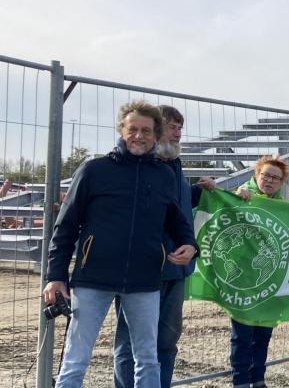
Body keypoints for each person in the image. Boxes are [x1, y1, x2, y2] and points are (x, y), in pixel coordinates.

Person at [44, 100, 198, 388]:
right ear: (121, 130)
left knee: (147, 358)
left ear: (155, 134)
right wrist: (55, 276)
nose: (139, 136)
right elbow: (65, 227)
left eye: (146, 131)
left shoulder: (163, 175)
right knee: (76, 359)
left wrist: (189, 244)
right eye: (133, 129)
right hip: (93, 279)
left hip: (145, 281)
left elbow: (177, 221)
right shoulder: (94, 170)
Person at [112, 105, 195, 388]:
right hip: (142, 269)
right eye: (172, 127)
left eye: (180, 128)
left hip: (176, 270)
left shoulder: (173, 165)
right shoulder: (136, 168)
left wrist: (202, 190)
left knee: (167, 342)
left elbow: (175, 208)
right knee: (131, 342)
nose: (178, 133)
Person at [228, 156, 289, 388]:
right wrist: (237, 195)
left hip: (269, 279)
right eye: (266, 175)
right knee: (242, 334)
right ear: (257, 175)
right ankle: (241, 381)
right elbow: (223, 206)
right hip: (243, 280)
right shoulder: (242, 195)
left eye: (276, 178)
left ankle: (258, 379)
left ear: (283, 182)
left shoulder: (282, 205)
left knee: (263, 334)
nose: (270, 181)